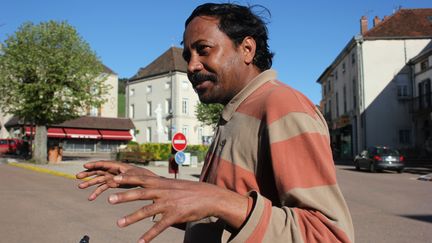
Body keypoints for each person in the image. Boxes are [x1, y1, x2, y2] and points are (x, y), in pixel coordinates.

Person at [76, 3, 354, 243]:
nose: (192, 66)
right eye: (188, 56)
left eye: (203, 50)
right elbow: (220, 218)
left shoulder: (282, 105)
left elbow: (328, 235)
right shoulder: (235, 113)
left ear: (246, 48)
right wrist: (153, 183)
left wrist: (217, 199)